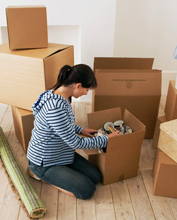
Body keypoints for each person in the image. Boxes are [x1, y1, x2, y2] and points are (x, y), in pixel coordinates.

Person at [27, 64, 120, 199]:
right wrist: (107, 139)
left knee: (96, 176)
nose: (86, 93)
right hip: (44, 162)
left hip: (60, 153)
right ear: (78, 85)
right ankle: (42, 176)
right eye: (86, 90)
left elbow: (63, 124)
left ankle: (61, 174)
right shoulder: (55, 108)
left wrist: (81, 129)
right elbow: (76, 143)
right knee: (87, 190)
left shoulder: (62, 95)